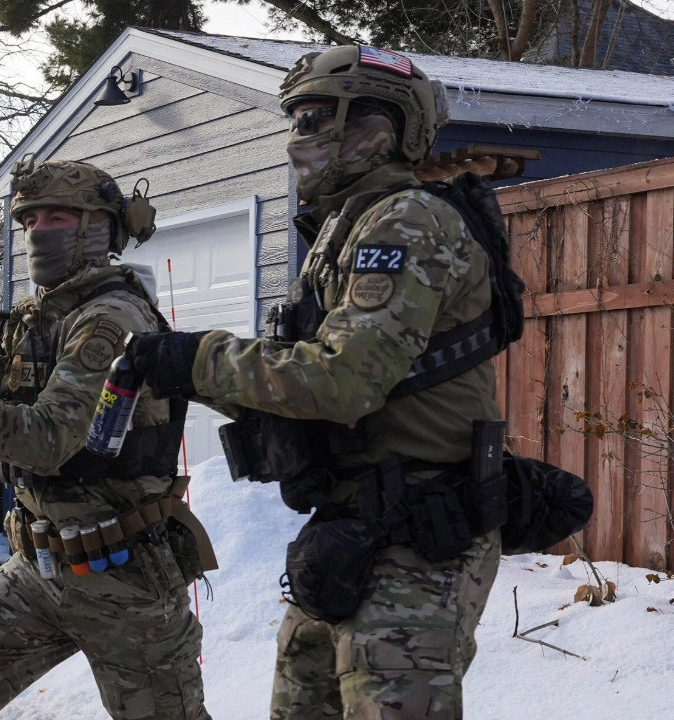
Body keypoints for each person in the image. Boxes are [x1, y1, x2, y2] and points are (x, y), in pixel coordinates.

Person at [126, 46, 504, 718]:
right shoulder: (344, 227)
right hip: (352, 529)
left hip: (422, 540)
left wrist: (199, 359)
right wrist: (178, 365)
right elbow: (293, 376)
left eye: (319, 118)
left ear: (382, 125)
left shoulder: (407, 220)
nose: (301, 136)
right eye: (297, 120)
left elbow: (344, 382)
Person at [0, 159, 215, 720]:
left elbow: (49, 441)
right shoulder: (46, 316)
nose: (37, 231)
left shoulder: (110, 319)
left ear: (99, 226)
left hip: (124, 578)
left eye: (57, 217)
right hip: (43, 567)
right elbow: (14, 416)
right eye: (29, 220)